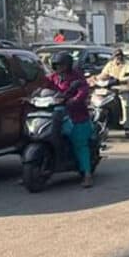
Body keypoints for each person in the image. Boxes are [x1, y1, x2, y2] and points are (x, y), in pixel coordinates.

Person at [42, 52, 94, 187]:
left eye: (61, 65)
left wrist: (75, 100)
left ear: (68, 65)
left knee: (79, 143)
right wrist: (31, 95)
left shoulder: (77, 77)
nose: (59, 67)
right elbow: (43, 87)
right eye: (56, 65)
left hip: (75, 114)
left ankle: (87, 174)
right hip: (55, 112)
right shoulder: (53, 77)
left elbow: (83, 90)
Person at [99, 48, 129, 131]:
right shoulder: (110, 64)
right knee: (102, 102)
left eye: (120, 55)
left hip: (124, 89)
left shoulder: (128, 64)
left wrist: (119, 80)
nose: (118, 57)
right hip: (111, 89)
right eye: (116, 55)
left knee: (125, 105)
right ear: (113, 56)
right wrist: (95, 79)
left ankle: (127, 127)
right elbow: (103, 74)